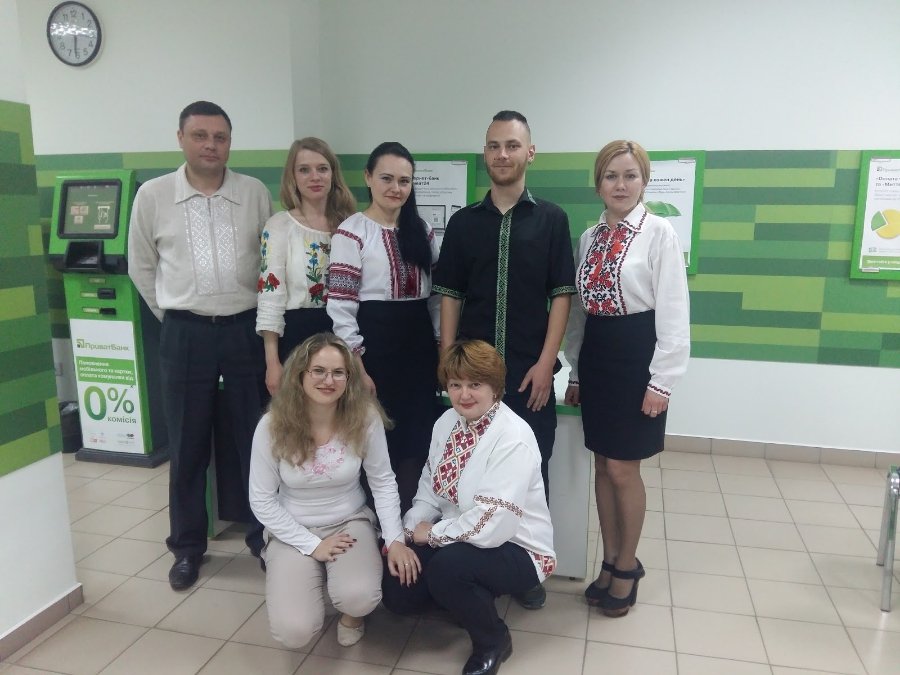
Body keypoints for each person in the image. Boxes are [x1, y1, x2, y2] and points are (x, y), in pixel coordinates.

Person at [128, 100, 272, 590]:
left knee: (255, 440)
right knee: (187, 444)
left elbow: (268, 264)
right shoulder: (153, 195)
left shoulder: (253, 193)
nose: (211, 145)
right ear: (181, 139)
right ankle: (187, 548)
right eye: (200, 136)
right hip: (184, 333)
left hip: (245, 330)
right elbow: (141, 266)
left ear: (230, 142)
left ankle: (263, 538)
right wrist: (176, 315)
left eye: (220, 137)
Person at [433, 110, 575, 609]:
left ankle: (526, 570)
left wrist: (546, 362)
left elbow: (561, 295)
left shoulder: (552, 219)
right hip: (472, 380)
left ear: (529, 152)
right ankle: (471, 563)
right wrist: (448, 363)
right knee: (469, 470)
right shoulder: (464, 223)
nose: (502, 154)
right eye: (494, 146)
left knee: (533, 472)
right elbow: (450, 295)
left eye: (512, 145)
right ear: (485, 153)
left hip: (529, 375)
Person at [564, 140, 690, 617]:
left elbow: (674, 311)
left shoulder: (659, 233)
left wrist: (662, 380)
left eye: (630, 175)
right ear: (598, 183)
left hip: (638, 357)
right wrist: (576, 371)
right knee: (602, 465)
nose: (620, 185)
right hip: (598, 355)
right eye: (611, 176)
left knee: (623, 468)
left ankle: (628, 565)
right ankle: (610, 559)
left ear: (644, 181)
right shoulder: (589, 237)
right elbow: (579, 313)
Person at [382, 340, 555, 675]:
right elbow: (428, 488)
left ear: (495, 388)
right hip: (457, 535)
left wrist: (432, 534)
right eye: (455, 385)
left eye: (475, 384)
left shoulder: (513, 436)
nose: (464, 395)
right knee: (398, 591)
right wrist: (408, 532)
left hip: (516, 546)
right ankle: (463, 601)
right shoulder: (446, 422)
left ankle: (493, 640)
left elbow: (493, 524)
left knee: (448, 569)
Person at [249, 333, 420, 648]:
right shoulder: (272, 425)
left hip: (348, 521)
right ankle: (312, 573)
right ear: (300, 374)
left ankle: (352, 616)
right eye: (319, 371)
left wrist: (394, 539)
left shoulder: (364, 417)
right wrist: (312, 545)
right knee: (294, 632)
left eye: (338, 372)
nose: (328, 380)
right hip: (292, 528)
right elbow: (261, 500)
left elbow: (382, 481)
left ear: (349, 378)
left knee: (360, 597)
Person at [327, 141, 440, 512]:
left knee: (417, 438)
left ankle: (409, 521)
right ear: (368, 178)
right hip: (373, 348)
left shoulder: (422, 230)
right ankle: (377, 524)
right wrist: (357, 367)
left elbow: (436, 298)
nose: (396, 188)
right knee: (376, 438)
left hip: (418, 347)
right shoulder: (351, 232)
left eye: (404, 181)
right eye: (387, 178)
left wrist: (441, 345)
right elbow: (341, 306)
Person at [256, 137, 356, 395]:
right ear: (293, 176)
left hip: (343, 333)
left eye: (322, 168)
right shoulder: (279, 226)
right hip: (296, 335)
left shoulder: (350, 225)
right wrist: (272, 362)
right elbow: (270, 296)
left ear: (333, 174)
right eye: (304, 169)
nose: (315, 177)